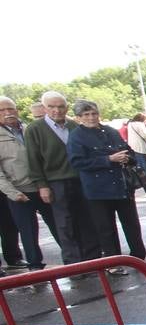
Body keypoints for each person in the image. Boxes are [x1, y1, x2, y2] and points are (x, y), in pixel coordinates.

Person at [66, 100, 145, 274]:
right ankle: (113, 262)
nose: (91, 117)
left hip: (121, 186)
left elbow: (128, 150)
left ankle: (139, 258)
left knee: (131, 224)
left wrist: (127, 157)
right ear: (79, 118)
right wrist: (108, 159)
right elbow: (77, 162)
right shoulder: (77, 136)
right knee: (106, 228)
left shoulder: (110, 131)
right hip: (98, 190)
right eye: (86, 115)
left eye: (93, 113)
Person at [25, 91, 99, 264]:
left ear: (66, 108)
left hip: (82, 179)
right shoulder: (35, 129)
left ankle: (93, 259)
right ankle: (73, 263)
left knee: (88, 219)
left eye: (60, 106)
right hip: (56, 182)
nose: (56, 110)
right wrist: (41, 185)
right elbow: (33, 159)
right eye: (51, 107)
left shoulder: (75, 126)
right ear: (44, 108)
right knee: (65, 224)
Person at [0, 96, 53, 271]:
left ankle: (76, 261)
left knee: (57, 223)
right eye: (3, 110)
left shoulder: (28, 129)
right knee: (28, 231)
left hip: (41, 185)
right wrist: (12, 193)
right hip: (18, 190)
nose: (8, 113)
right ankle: (35, 267)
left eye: (11, 109)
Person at [124, 112, 146, 181]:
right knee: (144, 161)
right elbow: (145, 135)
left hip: (132, 145)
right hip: (140, 145)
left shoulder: (130, 124)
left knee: (138, 161)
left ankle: (141, 176)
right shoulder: (140, 124)